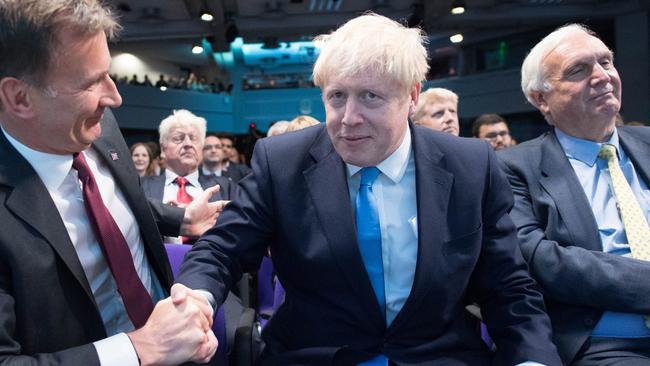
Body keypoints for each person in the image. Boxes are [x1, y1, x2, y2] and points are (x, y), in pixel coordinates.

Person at [177, 13, 560, 366]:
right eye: (336, 96)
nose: (348, 119)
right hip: (315, 356)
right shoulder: (281, 162)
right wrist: (197, 297)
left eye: (370, 97)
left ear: (412, 95)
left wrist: (532, 358)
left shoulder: (471, 166)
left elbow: (509, 287)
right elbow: (221, 248)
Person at [0, 1, 221, 364]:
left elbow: (112, 199)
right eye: (90, 82)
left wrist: (180, 219)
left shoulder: (97, 126)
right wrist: (141, 348)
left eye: (108, 72)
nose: (114, 97)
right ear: (20, 97)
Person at [498, 23, 650, 365]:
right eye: (578, 70)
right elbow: (540, 260)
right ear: (542, 99)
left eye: (606, 62)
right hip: (609, 344)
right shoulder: (514, 168)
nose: (602, 77)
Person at [142, 110, 235, 205]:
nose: (188, 144)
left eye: (194, 138)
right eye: (178, 138)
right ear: (163, 149)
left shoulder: (225, 187)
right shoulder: (142, 187)